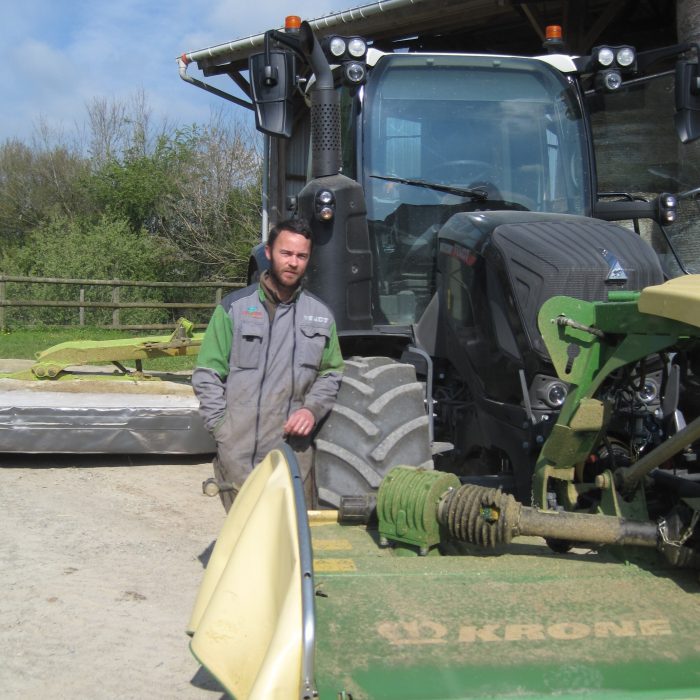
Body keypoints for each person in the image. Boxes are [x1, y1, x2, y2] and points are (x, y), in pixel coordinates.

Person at [192, 218, 344, 511]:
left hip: (292, 453)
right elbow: (207, 373)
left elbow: (331, 373)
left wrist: (312, 410)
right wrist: (222, 428)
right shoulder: (233, 309)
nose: (293, 263)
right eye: (286, 253)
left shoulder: (320, 316)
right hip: (239, 450)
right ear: (269, 252)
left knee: (289, 540)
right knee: (245, 536)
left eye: (301, 256)